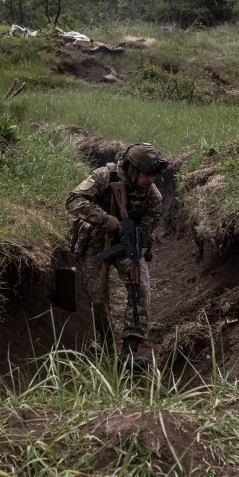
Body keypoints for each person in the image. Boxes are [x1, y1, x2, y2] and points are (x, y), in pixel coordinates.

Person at [66, 143, 167, 371]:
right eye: (146, 174)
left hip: (124, 246)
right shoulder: (104, 176)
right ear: (132, 169)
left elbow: (146, 228)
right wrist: (105, 220)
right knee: (98, 299)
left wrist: (136, 246)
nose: (150, 180)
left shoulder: (153, 198)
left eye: (154, 175)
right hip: (94, 242)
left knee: (140, 289)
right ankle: (105, 346)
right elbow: (73, 200)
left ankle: (129, 352)